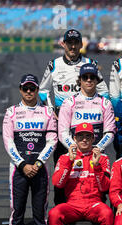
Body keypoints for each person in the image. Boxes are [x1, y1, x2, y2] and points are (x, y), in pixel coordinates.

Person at [39, 29, 109, 211]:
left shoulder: (90, 63)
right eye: (68, 42)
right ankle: (62, 212)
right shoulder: (53, 65)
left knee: (91, 171)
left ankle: (92, 210)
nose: (72, 46)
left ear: (80, 44)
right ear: (63, 44)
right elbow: (43, 90)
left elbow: (105, 92)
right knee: (63, 168)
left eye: (75, 42)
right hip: (64, 124)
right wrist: (50, 108)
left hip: (86, 125)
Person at [57, 63, 116, 225]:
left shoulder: (105, 103)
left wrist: (97, 148)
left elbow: (110, 131)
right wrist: (72, 147)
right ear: (79, 80)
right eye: (85, 77)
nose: (89, 80)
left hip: (96, 153)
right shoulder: (69, 103)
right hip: (75, 152)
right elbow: (63, 131)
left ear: (97, 80)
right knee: (74, 192)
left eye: (92, 77)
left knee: (98, 195)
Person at [2, 74, 57, 225]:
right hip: (18, 168)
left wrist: (38, 163)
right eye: (25, 88)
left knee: (40, 209)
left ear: (36, 91)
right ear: (20, 89)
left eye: (32, 88)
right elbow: (8, 142)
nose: (28, 92)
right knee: (17, 210)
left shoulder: (47, 113)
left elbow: (52, 141)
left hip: (40, 167)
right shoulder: (11, 112)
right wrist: (23, 164)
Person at [50, 122, 114, 225]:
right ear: (74, 138)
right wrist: (69, 162)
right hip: (73, 205)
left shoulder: (103, 157)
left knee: (107, 213)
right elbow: (58, 183)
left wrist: (97, 166)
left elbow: (104, 187)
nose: (84, 140)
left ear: (93, 139)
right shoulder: (65, 157)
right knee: (54, 214)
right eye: (80, 136)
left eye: (88, 136)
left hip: (94, 204)